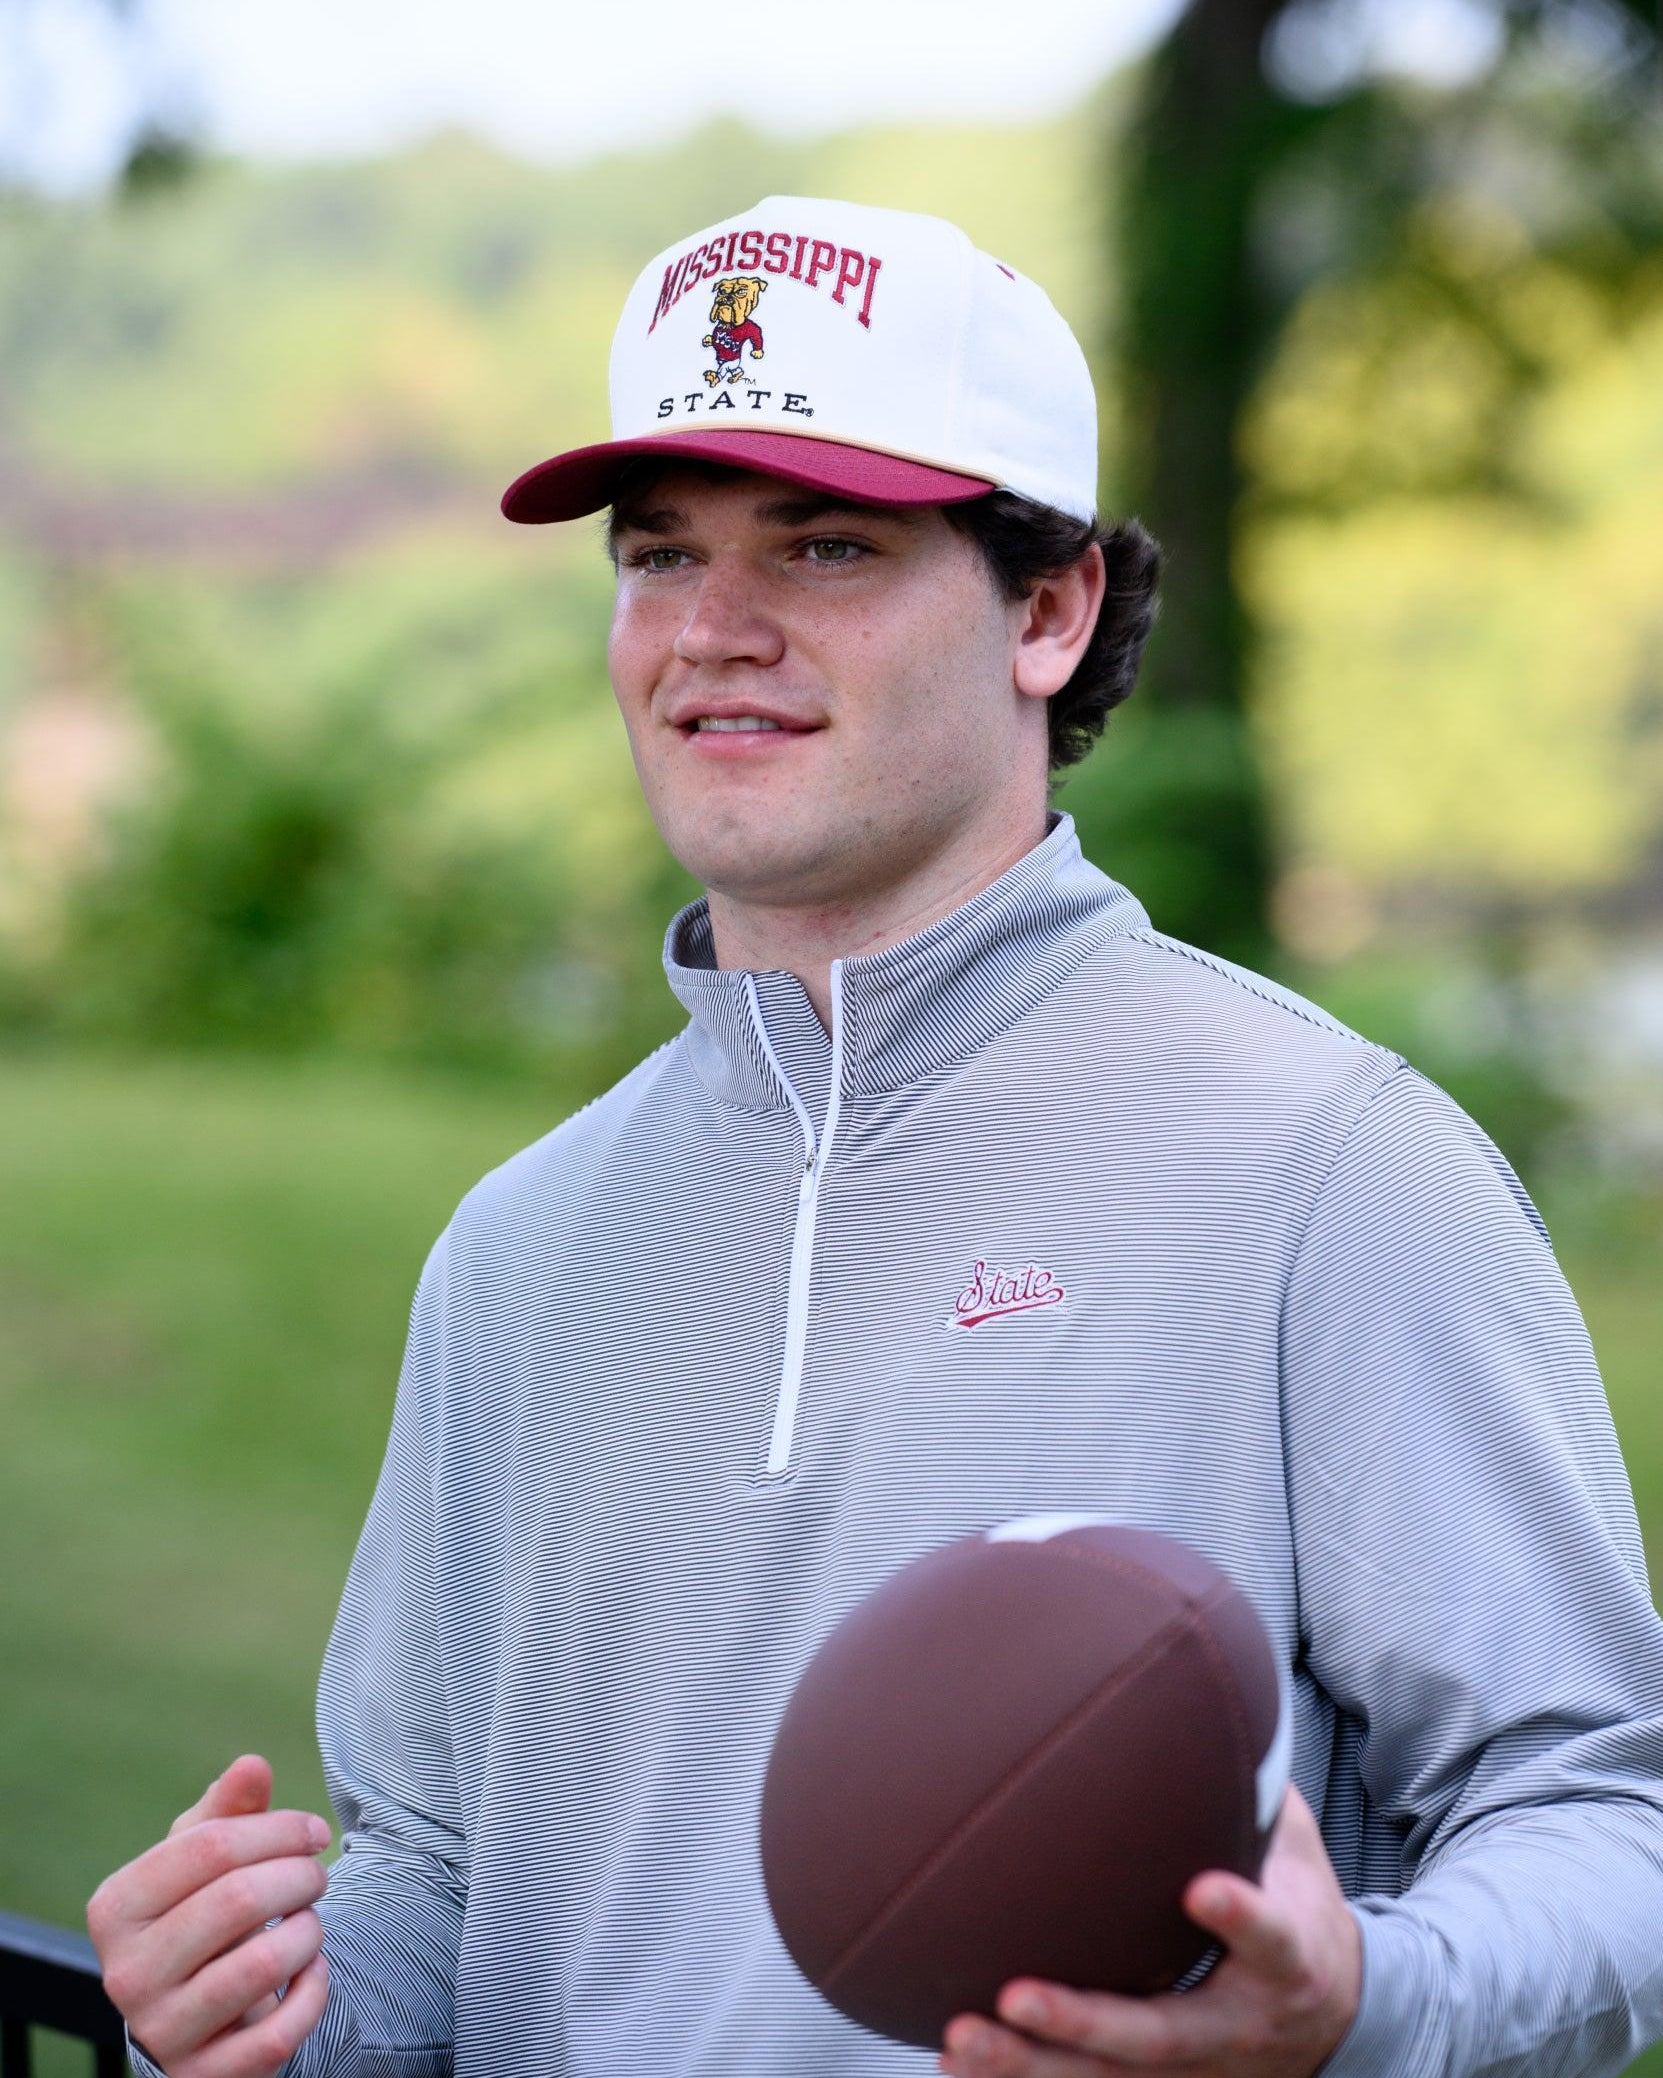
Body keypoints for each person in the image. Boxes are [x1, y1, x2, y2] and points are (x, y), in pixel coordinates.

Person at [88, 194, 1663, 2078]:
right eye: (658, 555)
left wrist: (1351, 2006)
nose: (712, 632)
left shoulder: (1332, 1163)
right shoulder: (515, 1247)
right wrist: (272, 2002)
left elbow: (1609, 1823)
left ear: (1051, 609)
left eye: (824, 546)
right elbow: (445, 1873)